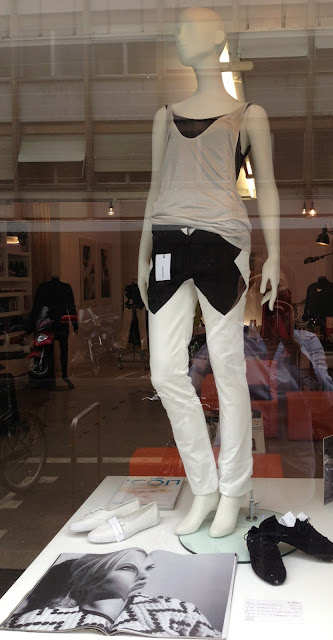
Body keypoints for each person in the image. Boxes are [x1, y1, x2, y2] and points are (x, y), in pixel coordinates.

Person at [137, 7, 280, 538]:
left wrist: (274, 255)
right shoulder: (164, 116)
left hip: (223, 242)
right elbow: (154, 189)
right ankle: (204, 485)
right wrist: (142, 252)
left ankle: (235, 488)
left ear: (218, 36)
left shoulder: (249, 114)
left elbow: (268, 187)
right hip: (168, 244)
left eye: (189, 25)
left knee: (227, 368)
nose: (179, 33)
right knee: (164, 371)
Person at [4, 548, 220, 637]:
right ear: (92, 575)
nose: (143, 576)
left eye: (148, 568)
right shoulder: (42, 618)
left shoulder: (176, 609)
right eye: (128, 568)